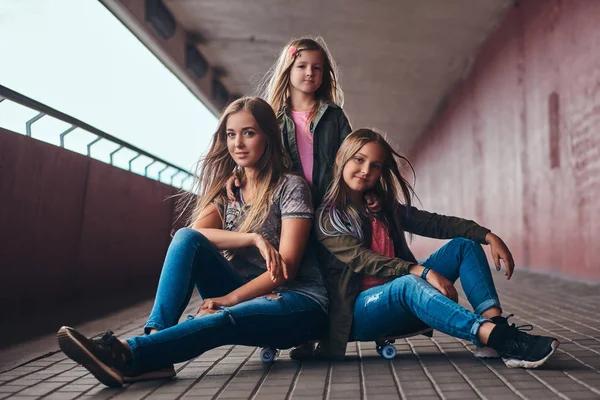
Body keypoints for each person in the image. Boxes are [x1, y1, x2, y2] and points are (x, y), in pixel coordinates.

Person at [57, 97, 328, 387]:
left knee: (221, 317)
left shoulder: (290, 187)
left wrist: (227, 300)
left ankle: (127, 352)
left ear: (268, 137)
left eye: (249, 133)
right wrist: (251, 237)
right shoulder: (230, 191)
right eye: (231, 134)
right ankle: (154, 347)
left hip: (296, 302)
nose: (238, 143)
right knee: (187, 239)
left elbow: (284, 269)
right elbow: (193, 236)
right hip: (248, 293)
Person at [313, 128, 559, 369]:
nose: (366, 170)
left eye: (375, 165)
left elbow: (433, 223)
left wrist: (486, 235)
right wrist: (422, 271)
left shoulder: (382, 207)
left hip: (400, 302)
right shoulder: (328, 217)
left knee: (464, 246)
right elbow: (362, 260)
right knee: (407, 283)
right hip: (359, 313)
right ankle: (500, 338)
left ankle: (494, 326)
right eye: (359, 159)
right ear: (340, 158)